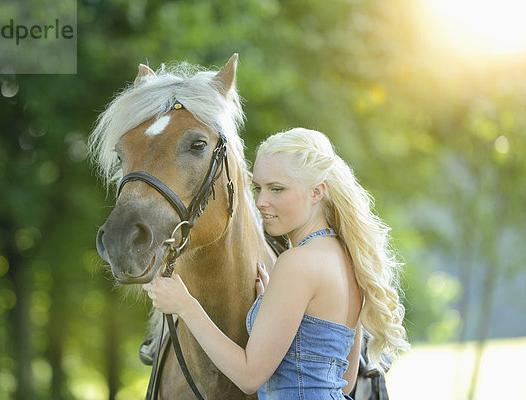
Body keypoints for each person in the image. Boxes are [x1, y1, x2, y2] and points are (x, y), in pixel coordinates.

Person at [143, 128, 409, 399]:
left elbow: (249, 377)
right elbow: (345, 380)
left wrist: (185, 306)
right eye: (258, 188)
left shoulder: (297, 263)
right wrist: (273, 304)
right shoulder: (347, 258)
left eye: (277, 189)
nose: (261, 202)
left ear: (317, 192)